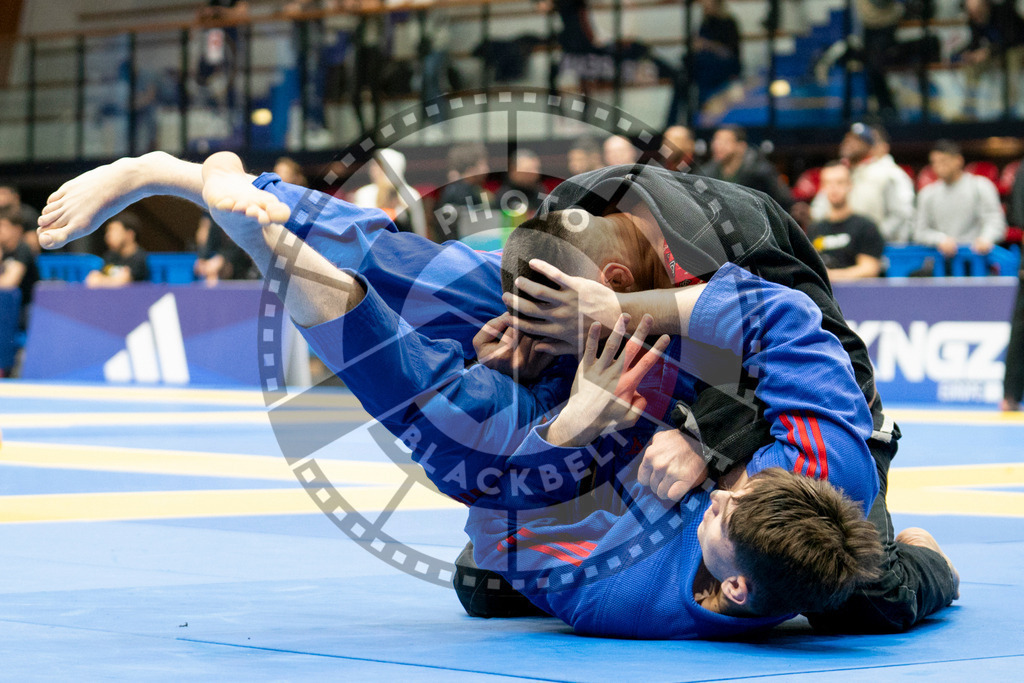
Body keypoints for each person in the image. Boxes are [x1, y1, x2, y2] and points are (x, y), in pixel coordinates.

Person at [36, 153, 958, 633]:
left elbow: (504, 522)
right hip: (666, 318)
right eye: (747, 484)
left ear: (720, 592)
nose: (723, 490)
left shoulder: (623, 596)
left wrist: (570, 416)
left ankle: (276, 251)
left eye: (720, 510)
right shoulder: (825, 463)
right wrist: (621, 316)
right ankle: (176, 176)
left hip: (600, 429)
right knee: (469, 282)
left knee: (468, 476)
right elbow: (778, 316)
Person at [810, 123, 915, 243]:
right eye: (848, 139)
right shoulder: (839, 172)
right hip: (841, 246)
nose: (849, 143)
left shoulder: (886, 173)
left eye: (857, 140)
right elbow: (819, 210)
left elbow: (901, 214)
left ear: (870, 146)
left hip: (878, 249)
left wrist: (873, 237)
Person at [914, 140, 1006, 263]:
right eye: (934, 162)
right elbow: (920, 231)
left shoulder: (981, 186)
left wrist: (986, 238)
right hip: (941, 261)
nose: (939, 167)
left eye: (944, 161)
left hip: (977, 259)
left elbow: (995, 221)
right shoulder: (927, 194)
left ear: (958, 160)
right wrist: (940, 239)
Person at [806, 161, 884, 281]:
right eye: (828, 183)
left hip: (859, 294)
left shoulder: (866, 226)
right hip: (825, 296)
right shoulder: (814, 228)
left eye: (839, 182)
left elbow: (869, 269)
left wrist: (830, 276)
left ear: (849, 185)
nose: (834, 188)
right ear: (822, 187)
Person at [699, 126, 793, 212]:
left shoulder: (760, 171)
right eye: (716, 141)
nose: (717, 146)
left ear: (741, 146)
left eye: (725, 142)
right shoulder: (706, 172)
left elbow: (784, 200)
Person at [957, 0, 1024, 118]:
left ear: (985, 6)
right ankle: (969, 109)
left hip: (1016, 46)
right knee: (972, 65)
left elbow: (1011, 39)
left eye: (977, 12)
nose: (975, 16)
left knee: (1011, 59)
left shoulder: (1002, 13)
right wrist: (966, 53)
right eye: (971, 13)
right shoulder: (973, 18)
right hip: (995, 51)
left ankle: (1011, 109)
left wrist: (987, 52)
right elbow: (976, 41)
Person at [352, 148, 427, 237]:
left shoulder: (411, 194)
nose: (373, 170)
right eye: (373, 165)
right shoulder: (364, 194)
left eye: (380, 166)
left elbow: (419, 229)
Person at [435, 143, 493, 240]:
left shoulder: (451, 189)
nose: (487, 169)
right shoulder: (465, 194)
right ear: (471, 168)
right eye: (483, 164)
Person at [691, 0, 741, 107]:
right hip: (705, 64)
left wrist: (708, 45)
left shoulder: (728, 23)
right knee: (682, 77)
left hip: (724, 65)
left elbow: (729, 53)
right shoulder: (705, 23)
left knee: (706, 72)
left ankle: (705, 108)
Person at [85, 212, 150, 288]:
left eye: (115, 231)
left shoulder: (139, 257)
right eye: (108, 231)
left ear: (130, 234)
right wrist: (112, 281)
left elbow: (124, 282)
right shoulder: (110, 256)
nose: (108, 236)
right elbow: (93, 280)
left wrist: (103, 281)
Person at [0, 208, 39, 332]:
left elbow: (9, 283)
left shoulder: (23, 249)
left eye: (3, 226)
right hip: (7, 307)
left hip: (26, 306)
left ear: (17, 229)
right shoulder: (3, 252)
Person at [494, 149, 546, 220]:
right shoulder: (503, 197)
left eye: (536, 169)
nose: (534, 173)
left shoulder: (541, 194)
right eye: (528, 170)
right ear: (513, 170)